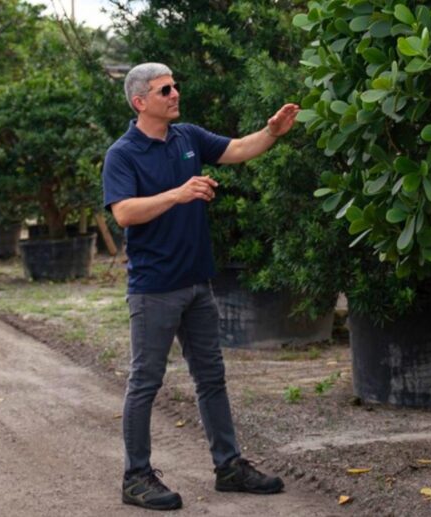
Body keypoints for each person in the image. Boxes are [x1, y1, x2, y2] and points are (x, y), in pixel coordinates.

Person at [102, 62, 299, 511]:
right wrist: (179, 193)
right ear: (140, 102)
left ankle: (228, 466)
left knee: (211, 378)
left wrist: (271, 131)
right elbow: (124, 214)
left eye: (175, 85)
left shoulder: (186, 136)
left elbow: (237, 149)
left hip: (197, 285)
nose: (175, 93)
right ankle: (136, 477)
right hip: (154, 290)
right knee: (145, 382)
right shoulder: (123, 153)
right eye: (164, 89)